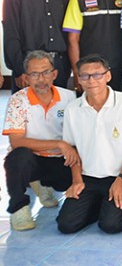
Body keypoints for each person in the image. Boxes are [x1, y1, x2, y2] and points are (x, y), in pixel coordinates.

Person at [57, 55, 122, 234]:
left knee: (111, 226)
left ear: (108, 76)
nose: (91, 81)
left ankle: (105, 206)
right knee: (66, 225)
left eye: (97, 75)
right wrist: (76, 180)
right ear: (78, 79)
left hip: (118, 177)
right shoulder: (73, 109)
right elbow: (71, 148)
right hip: (87, 177)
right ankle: (96, 205)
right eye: (85, 76)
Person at [3, 51, 77, 231]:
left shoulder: (69, 98)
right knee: (17, 157)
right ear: (26, 78)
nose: (41, 79)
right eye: (34, 74)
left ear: (55, 74)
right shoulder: (17, 101)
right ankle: (19, 208)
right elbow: (17, 141)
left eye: (45, 72)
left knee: (76, 183)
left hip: (61, 161)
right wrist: (58, 144)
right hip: (33, 160)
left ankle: (43, 184)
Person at [3, 0, 70, 93]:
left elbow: (67, 29)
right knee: (27, 113)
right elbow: (11, 32)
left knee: (58, 113)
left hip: (58, 64)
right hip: (29, 65)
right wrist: (20, 69)